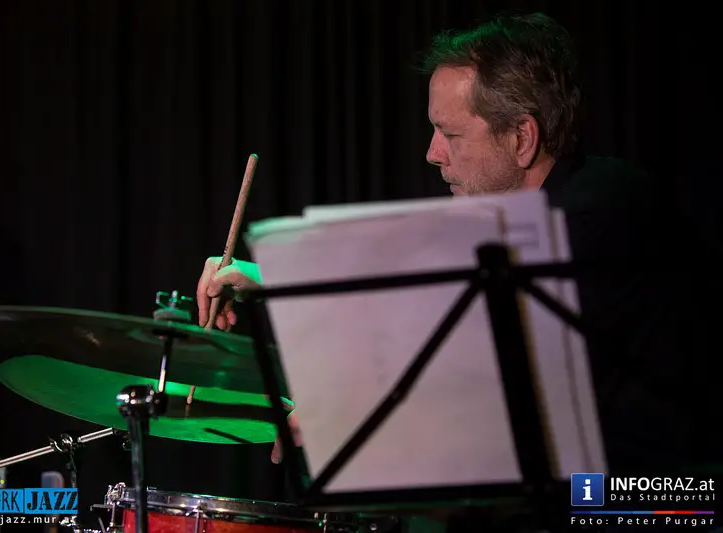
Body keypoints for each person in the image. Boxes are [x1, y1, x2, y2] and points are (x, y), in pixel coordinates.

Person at [197, 10, 717, 531]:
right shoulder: (523, 225)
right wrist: (268, 281)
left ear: (522, 138)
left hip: (660, 500)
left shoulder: (605, 209)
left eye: (450, 133)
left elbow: (477, 375)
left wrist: (352, 420)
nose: (432, 153)